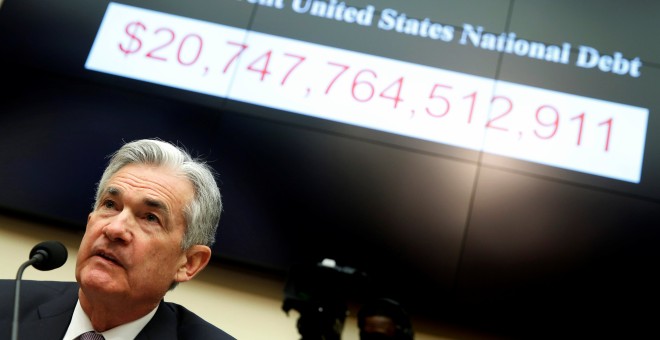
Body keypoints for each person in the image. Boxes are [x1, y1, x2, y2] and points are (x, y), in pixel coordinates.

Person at [0, 138, 235, 339]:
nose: (115, 229)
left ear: (189, 262)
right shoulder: (6, 306)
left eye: (150, 218)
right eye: (110, 205)